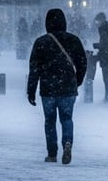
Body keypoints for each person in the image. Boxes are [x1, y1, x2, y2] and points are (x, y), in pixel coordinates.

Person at [27, 8, 87, 164]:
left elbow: (34, 69)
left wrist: (31, 90)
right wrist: (77, 80)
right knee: (67, 118)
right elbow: (82, 63)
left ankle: (52, 153)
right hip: (68, 87)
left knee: (50, 120)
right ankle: (67, 142)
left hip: (48, 88)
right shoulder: (74, 40)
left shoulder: (41, 42)